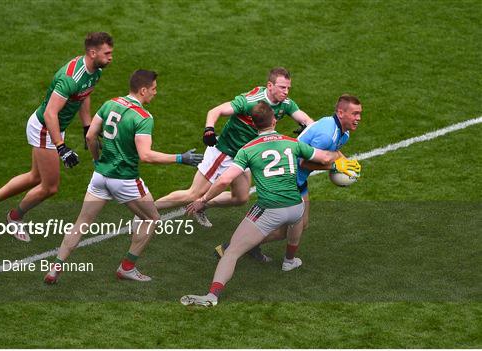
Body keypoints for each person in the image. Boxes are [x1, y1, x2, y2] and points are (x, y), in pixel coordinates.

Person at [180, 102, 359, 306]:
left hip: (270, 209)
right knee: (295, 224)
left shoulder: (247, 150)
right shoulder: (292, 142)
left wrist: (203, 200)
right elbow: (325, 155)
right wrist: (338, 163)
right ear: (274, 121)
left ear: (254, 125)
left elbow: (223, 181)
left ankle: (212, 296)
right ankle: (289, 261)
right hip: (296, 207)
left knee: (231, 252)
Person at [44, 69, 203, 284]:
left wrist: (96, 160)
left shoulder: (111, 104)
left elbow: (91, 136)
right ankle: (127, 267)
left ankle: (55, 268)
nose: (155, 93)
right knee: (153, 218)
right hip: (125, 180)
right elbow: (146, 156)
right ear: (143, 90)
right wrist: (180, 158)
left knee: (81, 222)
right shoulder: (144, 117)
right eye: (154, 89)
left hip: (100, 176)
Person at [155, 67, 314, 261]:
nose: (286, 92)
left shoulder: (285, 104)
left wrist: (309, 129)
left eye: (288, 88)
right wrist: (209, 129)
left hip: (244, 157)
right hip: (225, 153)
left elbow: (305, 118)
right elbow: (217, 110)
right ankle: (147, 210)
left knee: (240, 198)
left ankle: (202, 206)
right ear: (270, 86)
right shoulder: (249, 101)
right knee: (193, 193)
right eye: (282, 87)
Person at [0, 32, 114, 242]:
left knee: (34, 177)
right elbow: (50, 113)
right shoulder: (70, 78)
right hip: (45, 129)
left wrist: (87, 126)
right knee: (50, 186)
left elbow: (85, 95)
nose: (111, 57)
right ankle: (14, 217)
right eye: (107, 53)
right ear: (93, 53)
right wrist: (62, 147)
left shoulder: (95, 70)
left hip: (54, 127)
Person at [214, 95, 363, 270]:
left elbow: (333, 152)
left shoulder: (342, 132)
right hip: (288, 182)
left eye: (360, 114)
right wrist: (333, 167)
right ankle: (278, 258)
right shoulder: (326, 134)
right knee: (292, 226)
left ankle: (249, 246)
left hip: (298, 180)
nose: (358, 118)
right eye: (355, 114)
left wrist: (345, 162)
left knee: (299, 225)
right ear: (341, 112)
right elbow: (303, 162)